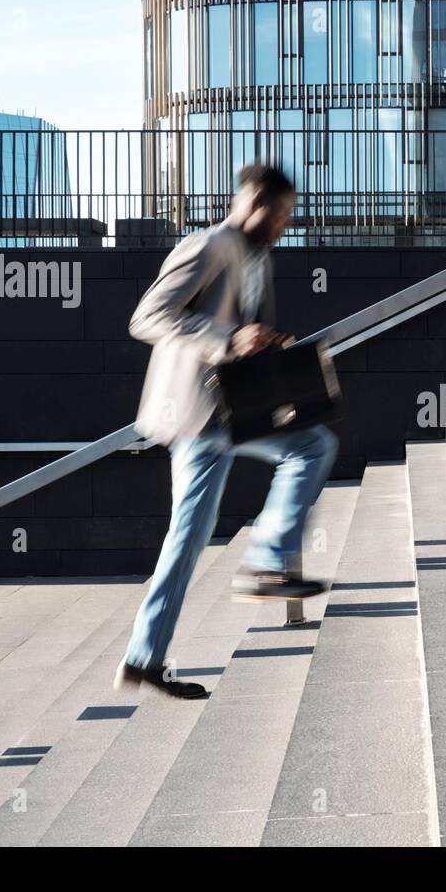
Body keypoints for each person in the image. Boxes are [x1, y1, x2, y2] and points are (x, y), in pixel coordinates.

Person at [115, 163, 338, 699]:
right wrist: (229, 337)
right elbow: (146, 317)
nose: (286, 225)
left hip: (234, 409)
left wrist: (264, 342)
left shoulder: (257, 254)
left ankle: (147, 655)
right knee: (306, 450)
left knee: (308, 446)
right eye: (282, 214)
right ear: (256, 201)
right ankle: (263, 563)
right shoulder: (209, 244)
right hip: (196, 413)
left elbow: (243, 325)